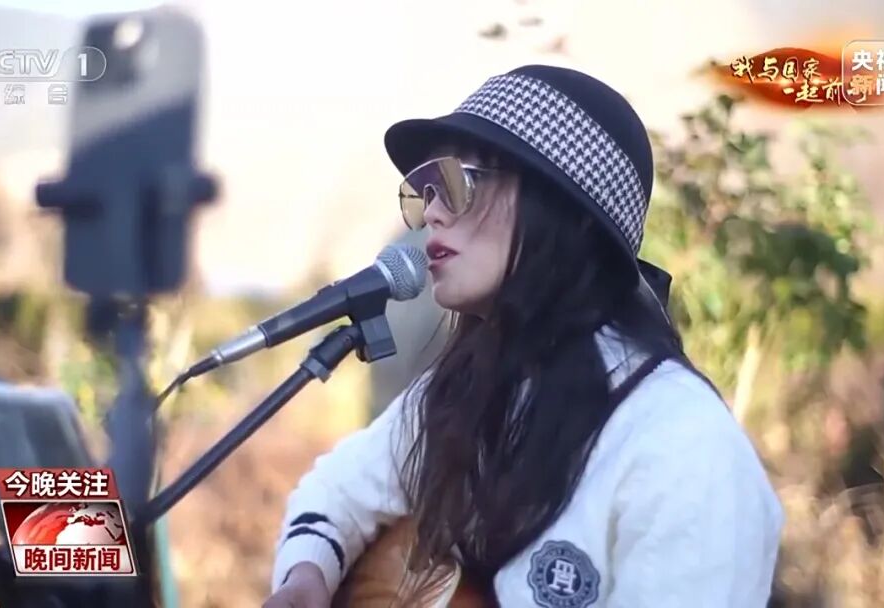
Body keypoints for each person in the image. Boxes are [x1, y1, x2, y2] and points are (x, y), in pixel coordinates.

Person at [264, 65, 784, 607]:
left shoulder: (685, 450)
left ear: (565, 208)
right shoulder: (464, 391)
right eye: (425, 191)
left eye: (457, 182)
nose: (431, 212)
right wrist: (305, 580)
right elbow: (336, 491)